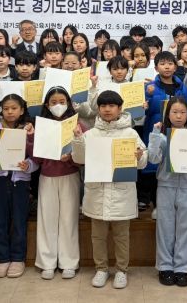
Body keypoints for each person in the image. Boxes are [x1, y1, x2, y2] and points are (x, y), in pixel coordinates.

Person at [71, 90, 148, 289]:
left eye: (112, 106)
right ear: (98, 109)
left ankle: (121, 270)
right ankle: (101, 269)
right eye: (103, 106)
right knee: (97, 236)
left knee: (121, 237)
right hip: (97, 193)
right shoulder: (90, 134)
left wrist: (140, 156)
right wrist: (78, 140)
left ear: (120, 109)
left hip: (122, 194)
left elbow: (142, 163)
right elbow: (78, 159)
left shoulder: (130, 134)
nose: (107, 109)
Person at [147, 97, 187, 287]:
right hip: (166, 186)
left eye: (182, 112)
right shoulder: (162, 137)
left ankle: (182, 268)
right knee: (165, 227)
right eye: (174, 112)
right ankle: (165, 267)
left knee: (185, 228)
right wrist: (155, 135)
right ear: (168, 114)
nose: (179, 116)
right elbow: (153, 159)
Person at [30, 87, 83, 280]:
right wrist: (32, 138)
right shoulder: (41, 125)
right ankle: (47, 262)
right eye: (53, 102)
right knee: (47, 219)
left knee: (69, 219)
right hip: (47, 177)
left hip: (70, 175)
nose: (58, 105)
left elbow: (83, 158)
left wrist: (72, 155)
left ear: (68, 103)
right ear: (47, 105)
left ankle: (69, 262)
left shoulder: (77, 124)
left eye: (62, 102)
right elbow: (36, 158)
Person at [0, 95, 36, 279]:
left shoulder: (27, 129)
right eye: (6, 109)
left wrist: (28, 166)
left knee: (19, 221)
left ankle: (18, 259)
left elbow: (36, 157)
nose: (10, 112)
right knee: (1, 220)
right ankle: (3, 258)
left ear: (22, 110)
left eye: (14, 108)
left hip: (20, 181)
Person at [143, 52, 187, 216]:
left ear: (175, 67)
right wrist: (148, 96)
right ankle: (157, 205)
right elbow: (142, 112)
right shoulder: (150, 87)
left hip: (179, 134)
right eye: (162, 63)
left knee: (174, 166)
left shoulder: (182, 87)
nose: (166, 67)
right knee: (155, 167)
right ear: (156, 67)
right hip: (156, 130)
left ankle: (177, 205)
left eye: (170, 63)